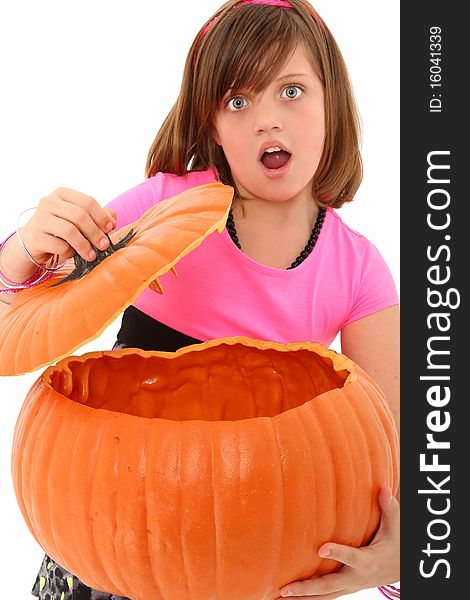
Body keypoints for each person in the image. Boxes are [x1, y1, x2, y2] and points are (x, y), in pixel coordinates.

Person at [0, 0, 400, 598]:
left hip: (254, 556)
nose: (268, 120)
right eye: (238, 102)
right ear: (213, 127)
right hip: (114, 534)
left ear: (332, 104)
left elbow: (389, 456)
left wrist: (399, 562)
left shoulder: (358, 270)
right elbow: (20, 321)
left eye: (291, 91)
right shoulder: (165, 209)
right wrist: (23, 252)